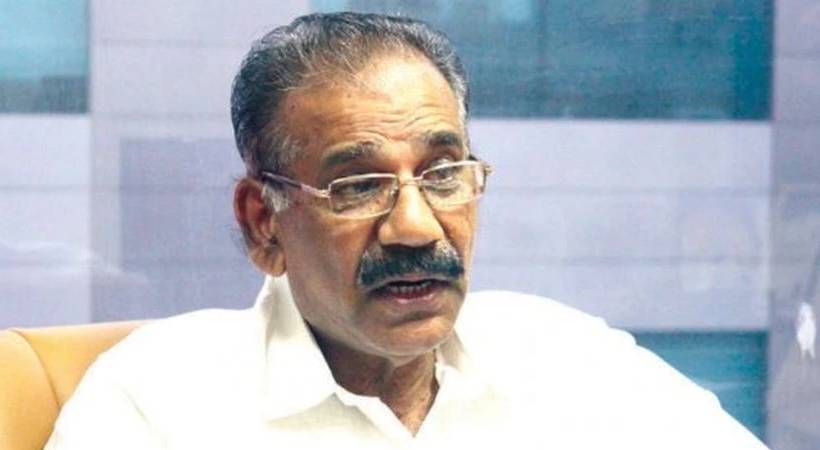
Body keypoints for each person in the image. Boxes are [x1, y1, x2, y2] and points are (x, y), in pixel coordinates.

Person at [45, 12, 768, 450]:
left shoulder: (568, 356)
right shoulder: (159, 401)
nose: (416, 228)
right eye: (359, 186)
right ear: (264, 223)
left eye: (443, 173)